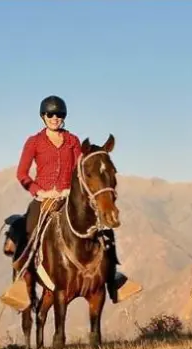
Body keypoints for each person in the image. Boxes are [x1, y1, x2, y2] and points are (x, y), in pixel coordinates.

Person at [13, 95, 141, 303]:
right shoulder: (34, 142)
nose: (55, 118)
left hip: (69, 197)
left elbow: (79, 170)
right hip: (43, 198)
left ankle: (111, 276)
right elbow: (22, 173)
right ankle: (21, 277)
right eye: (51, 114)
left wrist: (71, 190)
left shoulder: (72, 141)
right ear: (43, 116)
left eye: (59, 114)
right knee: (29, 227)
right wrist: (40, 191)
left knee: (103, 227)